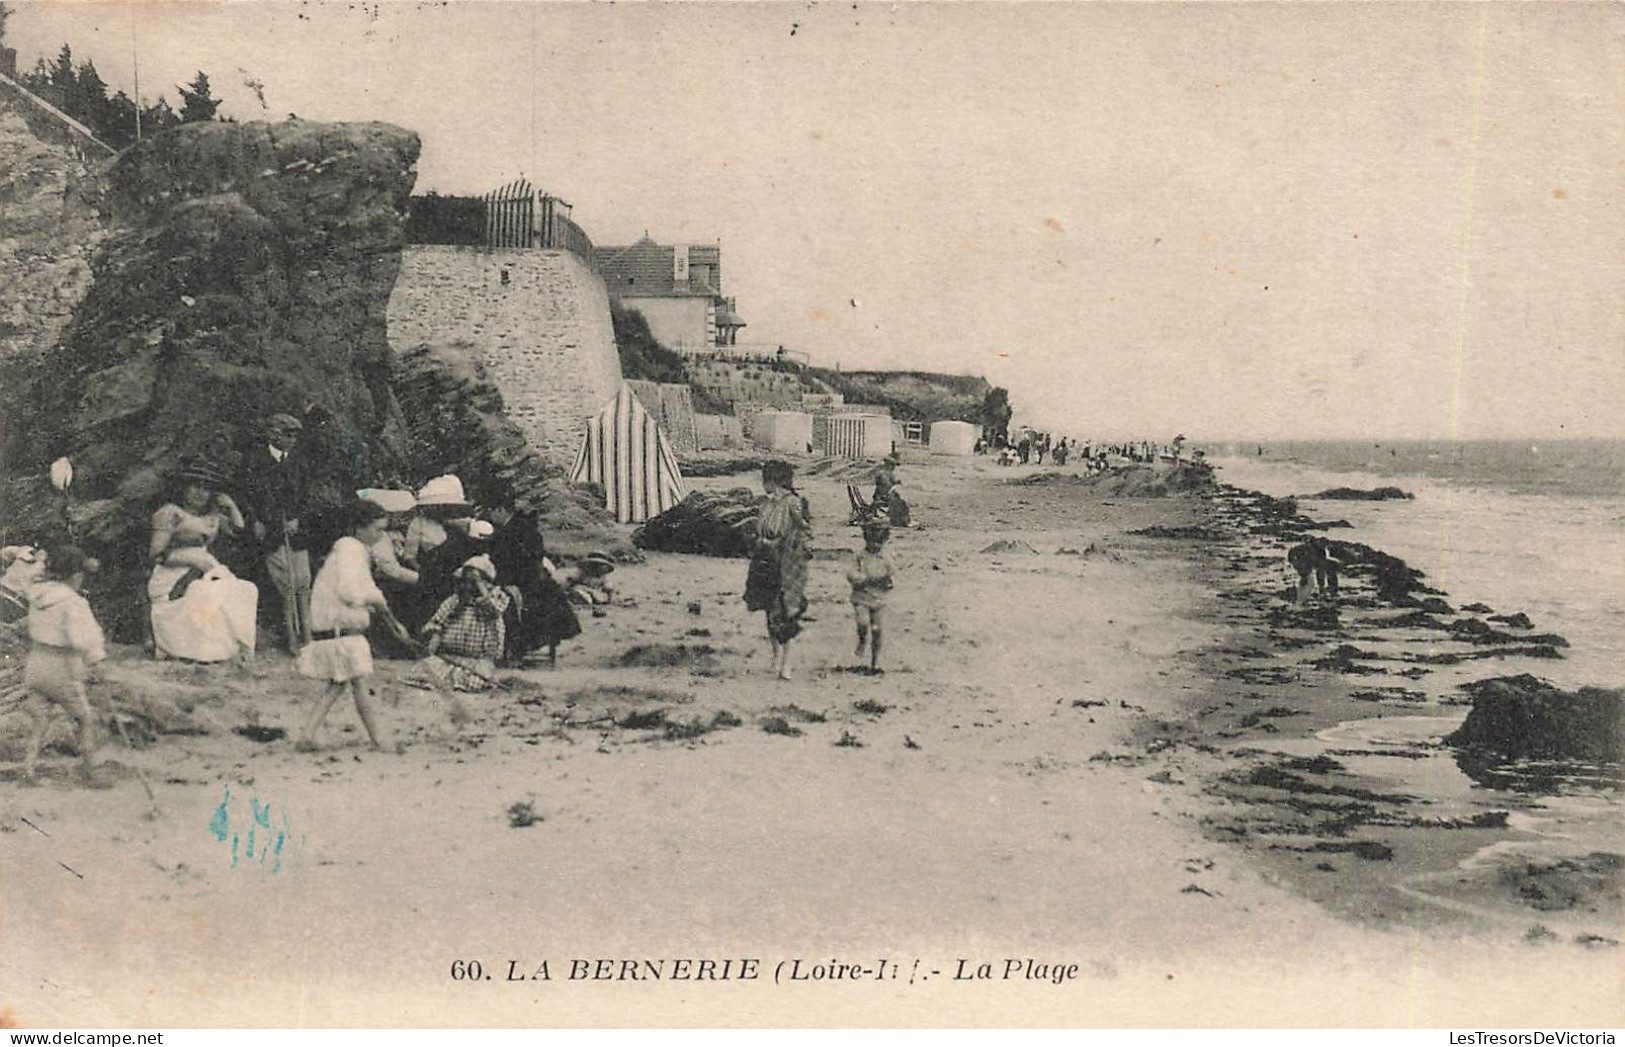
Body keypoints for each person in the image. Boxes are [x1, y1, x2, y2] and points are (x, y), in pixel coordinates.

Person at [295, 500, 404, 753]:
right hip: (339, 629)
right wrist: (379, 605)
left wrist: (387, 614)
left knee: (338, 683)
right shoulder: (350, 549)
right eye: (377, 529)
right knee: (358, 683)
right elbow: (351, 591)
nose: (381, 535)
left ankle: (307, 735)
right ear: (359, 528)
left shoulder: (352, 550)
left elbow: (364, 589)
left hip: (334, 627)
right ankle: (379, 739)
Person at [147, 464, 258, 663]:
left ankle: (224, 648)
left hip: (205, 571)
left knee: (245, 590)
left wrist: (231, 506)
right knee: (207, 592)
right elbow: (157, 554)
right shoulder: (171, 513)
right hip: (173, 577)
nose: (201, 493)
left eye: (206, 488)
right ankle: (193, 649)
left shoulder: (212, 517)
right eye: (195, 486)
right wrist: (195, 560)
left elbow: (239, 532)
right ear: (183, 488)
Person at [19, 544, 109, 787]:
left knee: (40, 719)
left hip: (36, 663)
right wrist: (96, 658)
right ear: (77, 575)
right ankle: (90, 770)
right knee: (84, 717)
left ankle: (28, 768)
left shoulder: (36, 595)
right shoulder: (74, 602)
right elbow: (82, 637)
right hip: (62, 666)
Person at [240, 413, 312, 653]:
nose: (291, 439)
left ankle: (307, 637)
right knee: (284, 584)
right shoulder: (255, 460)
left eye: (294, 435)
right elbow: (246, 495)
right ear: (272, 433)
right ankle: (291, 637)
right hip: (269, 531)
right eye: (286, 434)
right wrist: (256, 520)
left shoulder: (300, 462)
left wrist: (297, 519)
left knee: (302, 582)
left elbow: (307, 497)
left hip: (294, 532)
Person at [744, 460, 812, 680]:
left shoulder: (793, 503)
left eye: (766, 479)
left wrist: (784, 544)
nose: (764, 484)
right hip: (764, 559)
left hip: (786, 562)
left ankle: (787, 662)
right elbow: (758, 529)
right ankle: (775, 656)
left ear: (774, 480)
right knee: (767, 608)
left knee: (784, 611)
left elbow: (805, 532)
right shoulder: (765, 503)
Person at [489, 507, 581, 667]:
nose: (490, 515)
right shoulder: (522, 528)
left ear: (501, 510)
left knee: (509, 602)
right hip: (537, 581)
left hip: (525, 583)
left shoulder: (510, 532)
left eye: (491, 511)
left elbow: (511, 563)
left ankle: (514, 650)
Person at [420, 555, 511, 692]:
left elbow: (493, 610)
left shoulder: (496, 598)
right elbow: (438, 622)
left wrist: (480, 584)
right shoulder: (455, 601)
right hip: (449, 656)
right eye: (465, 581)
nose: (468, 586)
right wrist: (434, 641)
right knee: (427, 672)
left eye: (473, 582)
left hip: (477, 660)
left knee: (473, 681)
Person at [846, 521, 894, 674]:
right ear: (866, 539)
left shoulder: (885, 557)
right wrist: (865, 579)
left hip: (878, 599)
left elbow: (891, 573)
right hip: (862, 596)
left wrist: (886, 581)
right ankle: (861, 639)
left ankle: (875, 661)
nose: (876, 545)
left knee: (877, 630)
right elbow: (851, 574)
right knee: (862, 621)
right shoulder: (860, 556)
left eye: (880, 542)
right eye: (873, 541)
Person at [1287, 536, 1342, 606]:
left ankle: (1300, 600)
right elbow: (1320, 571)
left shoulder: (1317, 551)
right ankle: (1300, 602)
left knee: (1307, 582)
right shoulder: (1311, 550)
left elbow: (1320, 571)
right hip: (1303, 564)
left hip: (1303, 563)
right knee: (1309, 583)